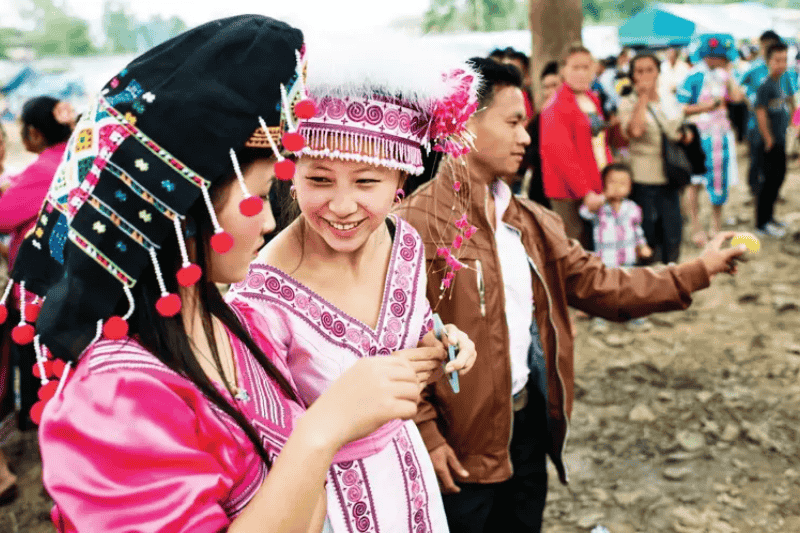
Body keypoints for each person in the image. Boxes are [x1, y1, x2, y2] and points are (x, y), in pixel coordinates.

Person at [3, 17, 430, 532]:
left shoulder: (235, 327)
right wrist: (323, 429)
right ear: (190, 205)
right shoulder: (113, 399)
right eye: (259, 195)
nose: (270, 221)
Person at [394, 55, 748, 533]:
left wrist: (697, 271)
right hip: (457, 451)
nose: (526, 137)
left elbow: (604, 285)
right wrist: (426, 434)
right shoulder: (413, 227)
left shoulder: (530, 222)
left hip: (526, 429)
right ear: (464, 125)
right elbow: (388, 343)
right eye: (513, 123)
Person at [227, 40, 479, 533]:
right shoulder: (257, 301)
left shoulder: (403, 241)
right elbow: (263, 451)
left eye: (366, 183)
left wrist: (441, 341)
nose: (342, 206)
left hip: (410, 476)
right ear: (291, 175)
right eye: (320, 180)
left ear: (401, 178)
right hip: (322, 507)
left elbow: (410, 333)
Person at [541, 43, 610, 250]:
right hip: (569, 194)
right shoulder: (556, 106)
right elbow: (562, 155)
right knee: (575, 249)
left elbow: (601, 142)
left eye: (586, 67)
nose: (581, 73)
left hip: (596, 186)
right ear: (563, 70)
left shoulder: (592, 99)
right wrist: (585, 192)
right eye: (575, 67)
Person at [618, 53, 685, 265]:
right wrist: (643, 98)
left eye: (650, 70)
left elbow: (676, 128)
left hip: (669, 175)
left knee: (673, 233)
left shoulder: (667, 98)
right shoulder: (628, 102)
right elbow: (636, 131)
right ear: (632, 76)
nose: (645, 75)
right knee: (647, 235)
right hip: (643, 179)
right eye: (639, 71)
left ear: (658, 72)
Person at [677, 34, 743, 246]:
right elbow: (680, 108)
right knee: (694, 183)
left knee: (719, 182)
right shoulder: (693, 76)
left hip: (720, 136)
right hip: (697, 137)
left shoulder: (724, 76)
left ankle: (716, 226)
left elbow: (737, 97)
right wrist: (707, 107)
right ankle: (696, 227)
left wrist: (729, 75)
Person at [739, 31, 793, 201]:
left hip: (778, 125)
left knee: (777, 164)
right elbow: (739, 89)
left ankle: (772, 193)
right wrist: (751, 99)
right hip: (756, 125)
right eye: (765, 46)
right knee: (757, 160)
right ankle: (756, 193)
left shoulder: (784, 72)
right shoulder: (754, 69)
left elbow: (790, 95)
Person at [754, 42, 792, 238]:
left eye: (784, 60)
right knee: (768, 182)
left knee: (778, 179)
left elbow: (790, 105)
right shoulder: (765, 86)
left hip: (781, 141)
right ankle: (761, 223)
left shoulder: (782, 82)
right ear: (768, 61)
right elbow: (760, 113)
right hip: (769, 144)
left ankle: (770, 217)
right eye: (777, 60)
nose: (781, 64)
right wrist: (768, 139)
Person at [518, 61, 559, 207]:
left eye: (554, 85)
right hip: (541, 185)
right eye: (546, 87)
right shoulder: (540, 116)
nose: (549, 91)